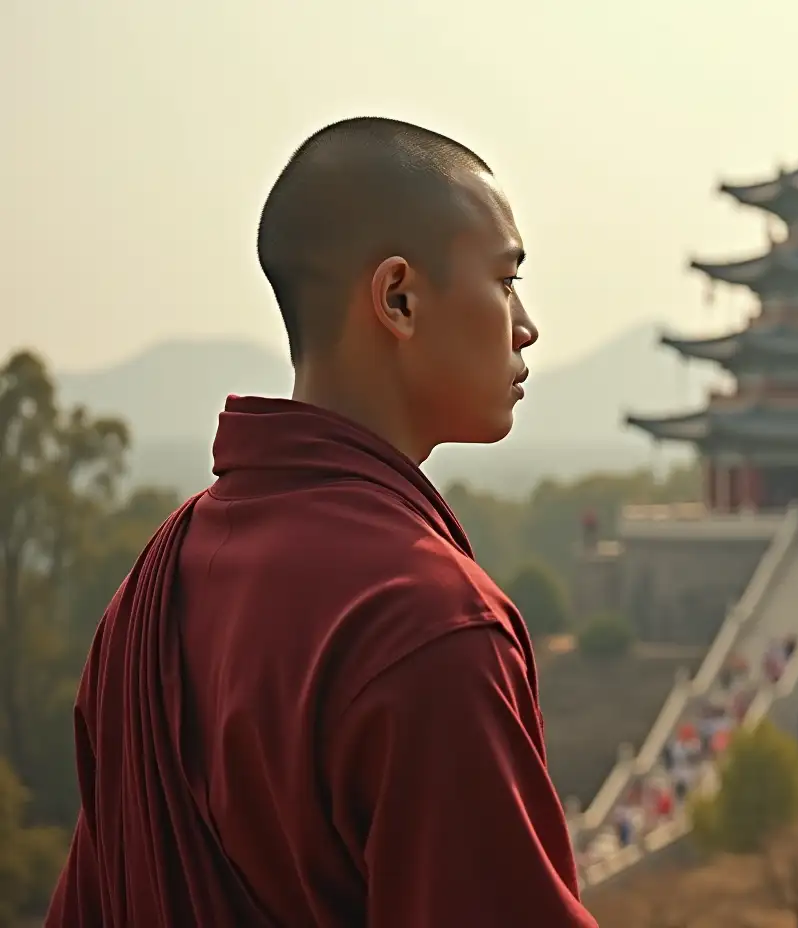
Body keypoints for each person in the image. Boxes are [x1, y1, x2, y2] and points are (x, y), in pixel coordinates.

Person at [47, 119, 598, 927]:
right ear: (399, 299)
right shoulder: (429, 619)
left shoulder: (150, 590)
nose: (525, 325)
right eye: (506, 279)